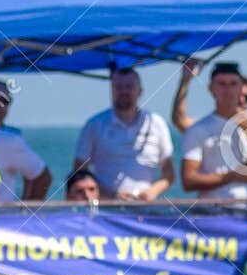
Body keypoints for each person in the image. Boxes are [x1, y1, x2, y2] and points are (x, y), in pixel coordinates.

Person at [180, 61, 247, 205]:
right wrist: (231, 177)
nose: (227, 90)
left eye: (233, 84)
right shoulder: (199, 129)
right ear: (211, 88)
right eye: (222, 84)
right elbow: (188, 180)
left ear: (241, 88)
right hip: (212, 213)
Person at [72, 68, 175, 200]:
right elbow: (79, 171)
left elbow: (169, 174)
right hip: (104, 210)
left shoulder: (156, 123)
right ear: (111, 91)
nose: (124, 91)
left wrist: (152, 192)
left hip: (145, 209)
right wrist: (110, 195)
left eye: (129, 86)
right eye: (118, 87)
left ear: (140, 91)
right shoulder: (94, 125)